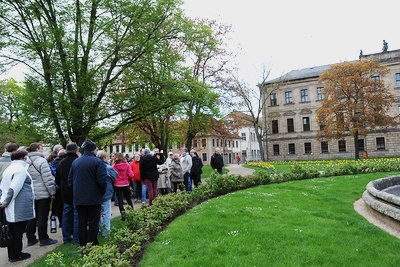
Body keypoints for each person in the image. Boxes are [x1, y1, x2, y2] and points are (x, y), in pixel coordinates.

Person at [68, 139, 106, 246]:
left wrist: (76, 192)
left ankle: (83, 244)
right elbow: (102, 181)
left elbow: (70, 181)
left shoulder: (76, 162)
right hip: (94, 198)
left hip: (79, 198)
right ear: (93, 150)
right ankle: (92, 243)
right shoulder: (97, 162)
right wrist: (101, 193)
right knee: (94, 222)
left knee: (82, 222)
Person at [0, 150, 35, 262]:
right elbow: (14, 189)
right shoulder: (20, 170)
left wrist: (3, 201)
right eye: (27, 157)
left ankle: (13, 254)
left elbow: (2, 187)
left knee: (13, 231)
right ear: (23, 158)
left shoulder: (9, 169)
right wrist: (5, 202)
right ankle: (16, 255)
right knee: (17, 232)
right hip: (17, 206)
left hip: (10, 205)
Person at [26, 142, 58, 247]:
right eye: (42, 148)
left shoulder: (26, 161)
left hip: (31, 192)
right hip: (43, 193)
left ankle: (30, 238)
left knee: (32, 217)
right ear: (38, 149)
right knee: (42, 217)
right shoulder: (42, 161)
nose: (43, 149)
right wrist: (52, 192)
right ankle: (43, 239)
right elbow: (48, 179)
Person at [57, 143, 80, 244]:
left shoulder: (61, 163)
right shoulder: (77, 161)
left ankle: (66, 238)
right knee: (76, 214)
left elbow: (57, 180)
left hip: (65, 192)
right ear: (76, 151)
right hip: (76, 191)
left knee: (66, 214)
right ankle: (76, 238)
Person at [97, 151, 117, 236]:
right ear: (104, 158)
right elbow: (115, 175)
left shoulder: (95, 167)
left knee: (97, 213)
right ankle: (106, 231)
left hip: (97, 192)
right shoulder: (108, 168)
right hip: (106, 191)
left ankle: (98, 230)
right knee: (106, 212)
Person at [112, 152, 134, 220]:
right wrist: (126, 177)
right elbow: (131, 175)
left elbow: (113, 176)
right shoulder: (127, 165)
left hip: (117, 184)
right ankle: (132, 213)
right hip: (125, 183)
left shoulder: (114, 166)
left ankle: (123, 216)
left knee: (120, 200)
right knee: (128, 199)